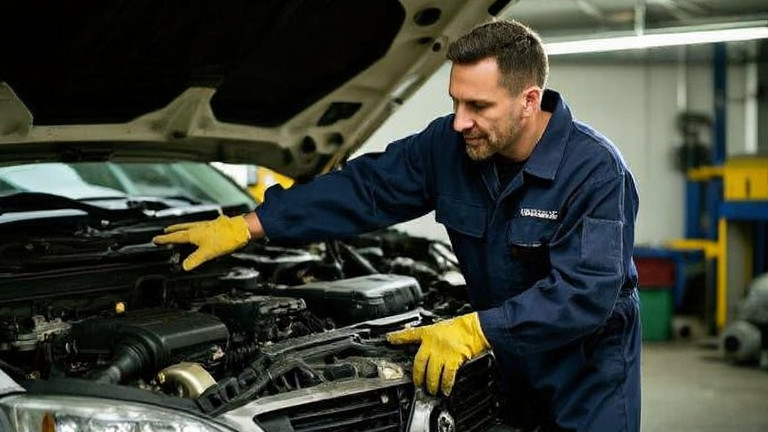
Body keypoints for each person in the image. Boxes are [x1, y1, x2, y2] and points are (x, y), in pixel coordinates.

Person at [154, 19, 641, 432]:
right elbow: (364, 189)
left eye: (478, 107)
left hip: (586, 379)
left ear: (529, 100)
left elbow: (586, 293)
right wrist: (252, 224)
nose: (459, 122)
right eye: (456, 102)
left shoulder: (595, 172)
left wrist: (478, 330)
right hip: (507, 367)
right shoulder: (447, 148)